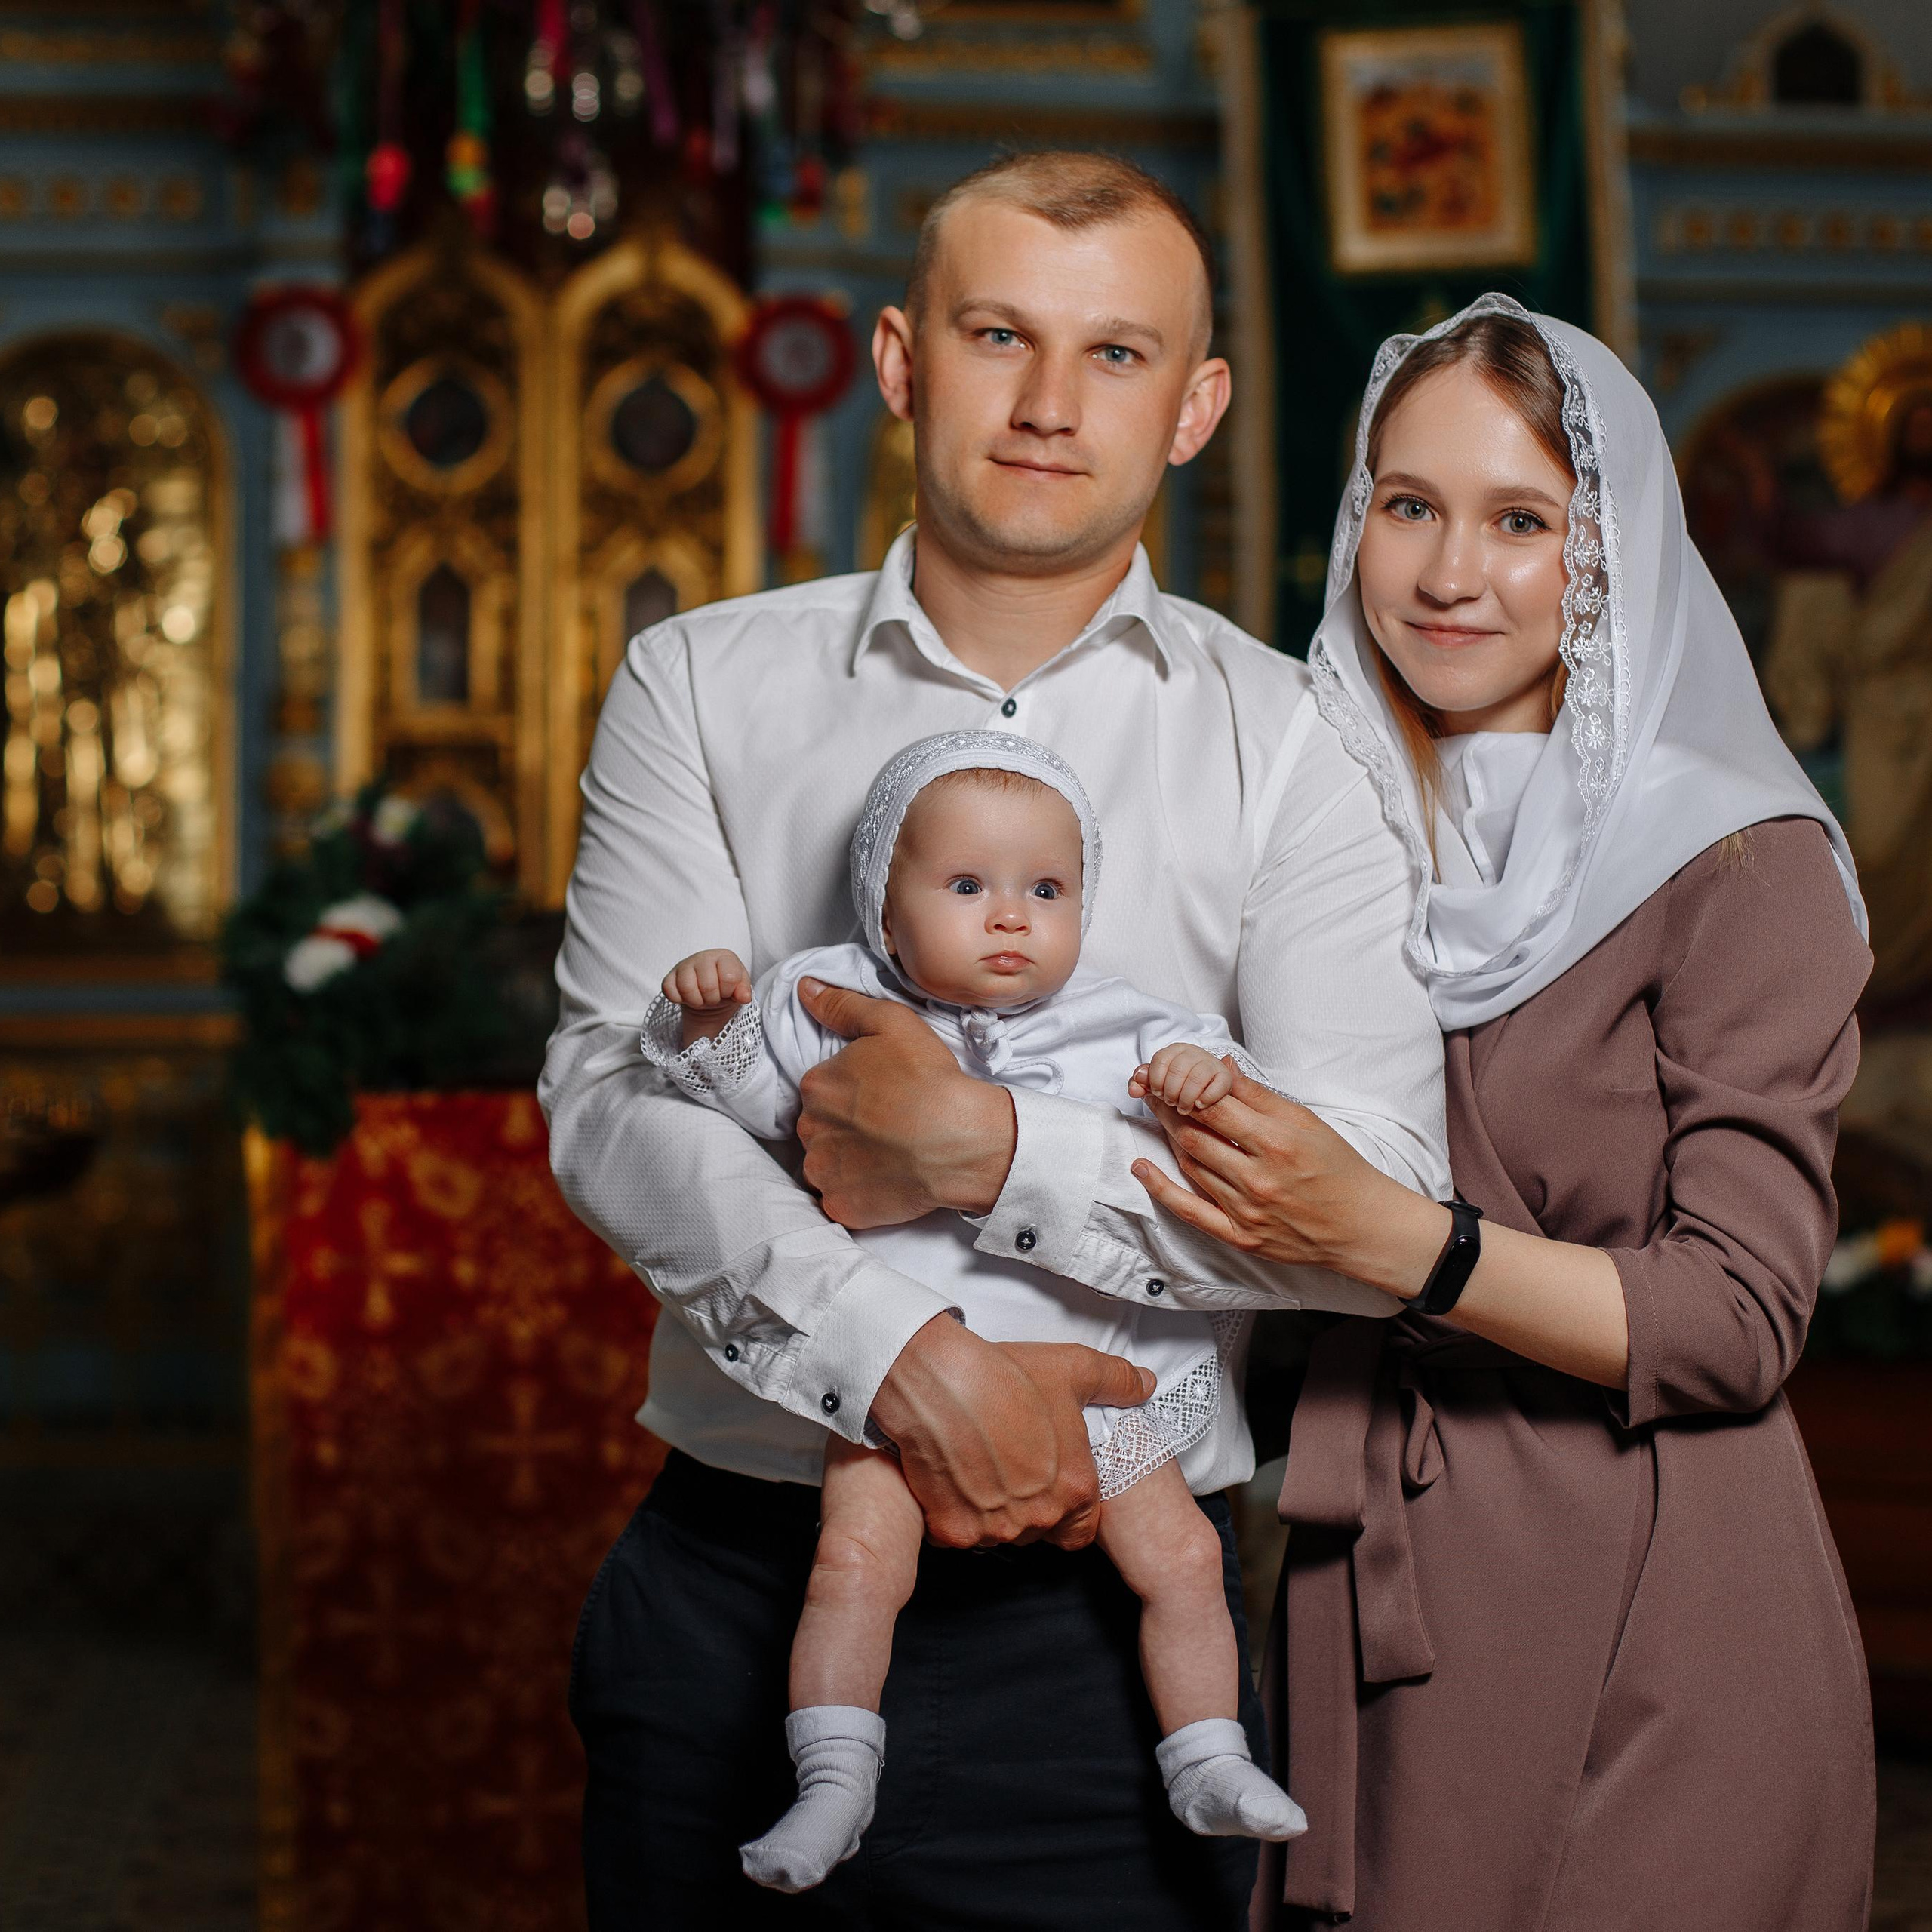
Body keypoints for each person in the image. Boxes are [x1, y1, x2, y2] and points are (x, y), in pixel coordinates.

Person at [540, 149, 1448, 1930]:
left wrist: (995, 1154)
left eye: (1114, 353)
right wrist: (900, 1357)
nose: (1048, 404)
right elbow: (614, 1103)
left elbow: (1375, 1195)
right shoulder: (697, 683)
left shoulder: (1299, 740)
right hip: (740, 1584)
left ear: (1194, 407)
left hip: (1120, 1650)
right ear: (899, 363)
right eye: (995, 335)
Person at [1111, 295, 1875, 1928]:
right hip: (1367, 1563)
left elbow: (1740, 1316)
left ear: (1610, 553)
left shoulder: (1738, 860)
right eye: (1409, 505)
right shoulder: (1315, 823)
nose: (1450, 572)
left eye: (1521, 520)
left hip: (1652, 1583)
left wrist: (1402, 1243)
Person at [648, 731, 1309, 1893]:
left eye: (1046, 890)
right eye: (966, 886)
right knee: (855, 1565)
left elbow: (1243, 1124)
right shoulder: (827, 997)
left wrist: (1205, 1085)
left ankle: (1208, 1755)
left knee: (1185, 1557)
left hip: (1100, 1388)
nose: (1012, 916)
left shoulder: (1127, 1025)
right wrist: (710, 1028)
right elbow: (746, 1105)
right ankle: (833, 1778)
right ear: (884, 906)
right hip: (902, 1386)